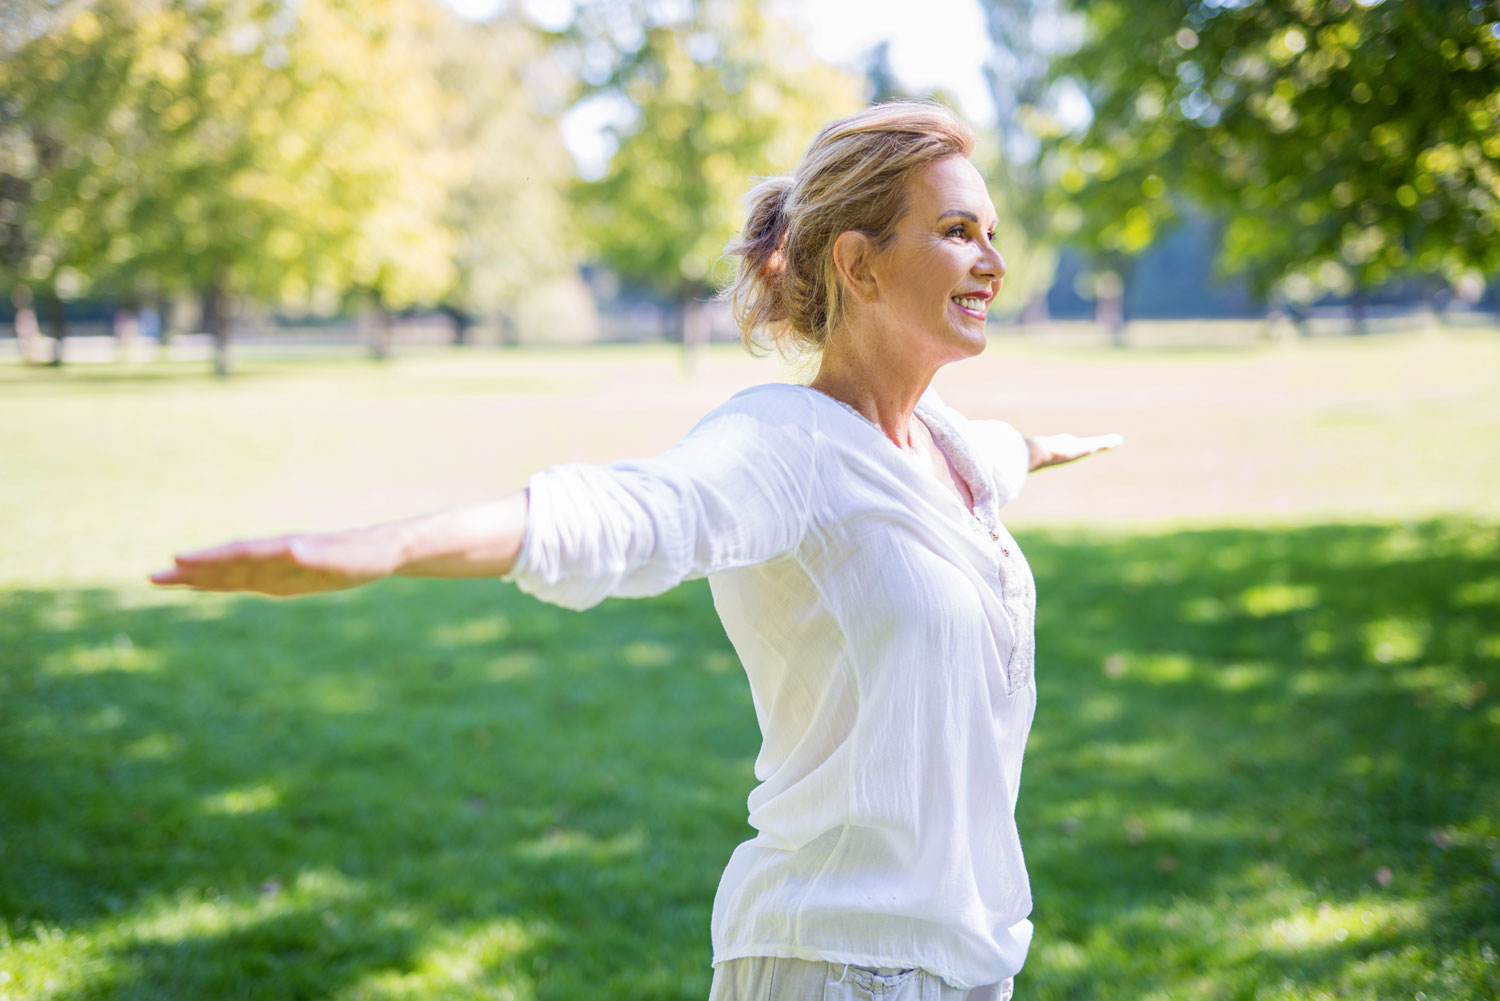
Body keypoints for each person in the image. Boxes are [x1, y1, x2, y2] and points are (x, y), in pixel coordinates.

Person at [152, 100, 1121, 1000]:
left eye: (992, 232)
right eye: (958, 232)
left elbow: (995, 456)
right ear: (859, 265)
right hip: (839, 961)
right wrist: (388, 545)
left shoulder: (948, 441)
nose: (992, 260)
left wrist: (1044, 447)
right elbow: (626, 513)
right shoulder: (785, 444)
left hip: (972, 954)